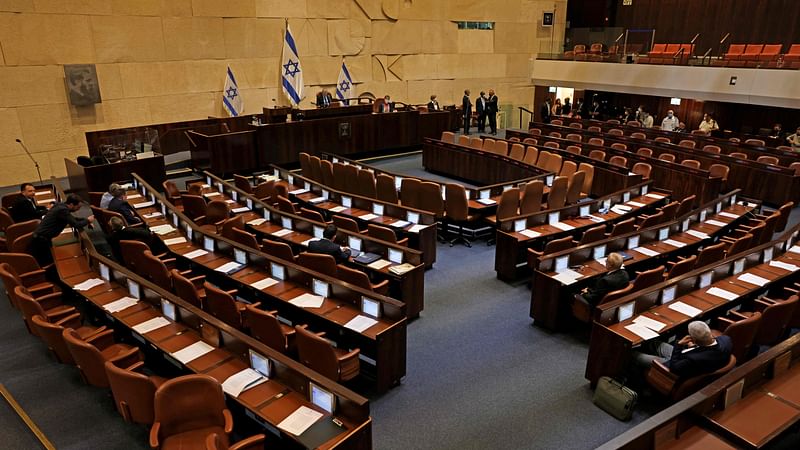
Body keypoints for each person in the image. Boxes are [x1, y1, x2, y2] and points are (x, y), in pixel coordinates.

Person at [634, 321, 733, 379]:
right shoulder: (726, 340)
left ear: (694, 340)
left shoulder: (693, 359)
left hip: (668, 367)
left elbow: (674, 368)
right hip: (688, 357)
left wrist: (679, 345)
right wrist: (695, 347)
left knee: (636, 356)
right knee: (654, 342)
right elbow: (708, 349)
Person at [29, 194, 95, 266]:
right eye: (78, 207)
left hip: (42, 238)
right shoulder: (62, 210)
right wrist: (88, 220)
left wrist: (86, 220)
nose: (78, 209)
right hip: (41, 242)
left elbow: (73, 219)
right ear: (71, 204)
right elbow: (75, 224)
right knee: (49, 264)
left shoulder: (61, 206)